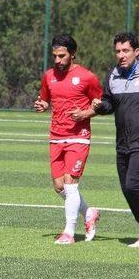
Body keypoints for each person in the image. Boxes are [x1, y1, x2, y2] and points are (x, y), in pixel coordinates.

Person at [91, 32, 139, 248]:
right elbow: (109, 102)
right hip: (122, 142)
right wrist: (101, 106)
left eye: (126, 51)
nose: (121, 55)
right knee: (126, 187)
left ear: (136, 51)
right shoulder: (113, 75)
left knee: (133, 185)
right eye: (118, 51)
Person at [33, 34, 103, 245]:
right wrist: (42, 106)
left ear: (72, 54)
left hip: (78, 137)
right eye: (54, 56)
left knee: (70, 184)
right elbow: (44, 100)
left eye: (62, 56)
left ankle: (69, 233)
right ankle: (89, 212)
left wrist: (85, 114)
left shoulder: (87, 77)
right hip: (56, 136)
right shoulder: (48, 76)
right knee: (58, 185)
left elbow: (101, 104)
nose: (57, 60)